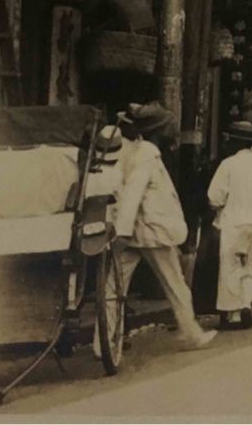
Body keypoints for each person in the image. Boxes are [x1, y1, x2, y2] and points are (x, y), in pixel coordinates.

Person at [99, 102, 216, 352]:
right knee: (176, 285)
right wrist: (122, 230)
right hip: (151, 232)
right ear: (155, 131)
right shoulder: (147, 153)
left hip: (133, 233)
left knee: (113, 287)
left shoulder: (130, 150)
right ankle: (191, 333)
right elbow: (133, 194)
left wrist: (121, 231)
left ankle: (105, 343)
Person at [207, 121, 252, 330]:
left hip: (233, 223)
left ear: (236, 142)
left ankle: (233, 314)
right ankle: (247, 303)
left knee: (231, 266)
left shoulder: (228, 164)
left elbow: (214, 197)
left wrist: (220, 206)